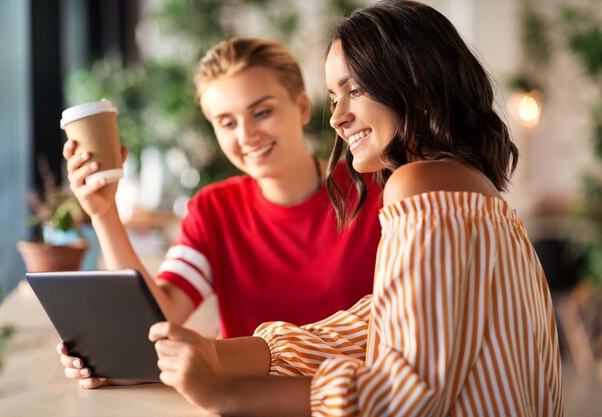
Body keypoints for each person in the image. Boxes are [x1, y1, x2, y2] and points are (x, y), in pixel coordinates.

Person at [145, 2, 564, 416]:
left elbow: (409, 390)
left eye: (356, 90)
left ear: (416, 85)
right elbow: (369, 327)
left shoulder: (417, 185)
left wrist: (227, 395)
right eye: (334, 95)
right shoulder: (460, 188)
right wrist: (210, 355)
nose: (337, 118)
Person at [58, 38, 383, 388]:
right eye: (227, 123)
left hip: (347, 402)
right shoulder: (214, 209)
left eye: (262, 112)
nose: (247, 135)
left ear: (302, 107)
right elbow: (160, 315)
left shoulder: (377, 192)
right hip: (239, 404)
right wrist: (104, 213)